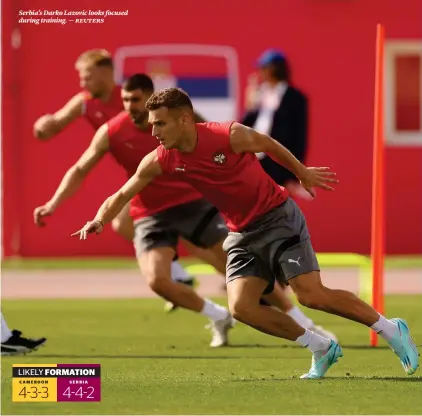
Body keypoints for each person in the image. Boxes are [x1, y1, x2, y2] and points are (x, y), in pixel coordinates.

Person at [72, 87, 418, 379]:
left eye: (160, 123)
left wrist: (301, 173)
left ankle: (390, 329)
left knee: (310, 295)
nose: (154, 132)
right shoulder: (163, 157)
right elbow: (121, 194)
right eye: (151, 125)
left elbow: (267, 143)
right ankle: (321, 347)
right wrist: (100, 219)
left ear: (184, 119)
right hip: (241, 233)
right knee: (242, 308)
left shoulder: (229, 134)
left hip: (277, 217)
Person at [32, 49, 226, 286]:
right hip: (146, 181)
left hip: (174, 175)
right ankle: (181, 273)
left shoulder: (135, 96)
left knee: (197, 242)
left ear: (106, 73)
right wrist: (44, 126)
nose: (83, 83)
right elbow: (57, 127)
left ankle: (243, 282)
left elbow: (196, 121)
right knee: (124, 224)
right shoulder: (84, 103)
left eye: (87, 76)